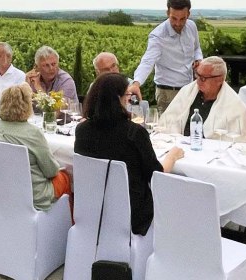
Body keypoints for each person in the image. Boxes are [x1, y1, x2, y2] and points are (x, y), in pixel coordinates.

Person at [75, 73, 184, 236]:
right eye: (128, 94)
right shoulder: (134, 133)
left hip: (93, 207)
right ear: (118, 98)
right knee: (176, 193)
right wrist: (172, 156)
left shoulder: (82, 130)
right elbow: (156, 175)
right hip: (132, 213)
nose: (129, 99)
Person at [0, 84, 72, 211]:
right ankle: (64, 226)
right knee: (66, 177)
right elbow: (51, 171)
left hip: (2, 191)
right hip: (35, 196)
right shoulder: (33, 133)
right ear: (27, 105)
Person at [129, 0, 203, 112]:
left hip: (190, 89)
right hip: (167, 93)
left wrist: (199, 60)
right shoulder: (157, 36)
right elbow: (147, 61)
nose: (178, 23)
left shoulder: (192, 26)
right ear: (167, 13)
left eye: (182, 19)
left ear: (188, 14)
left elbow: (197, 48)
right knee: (167, 130)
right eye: (174, 18)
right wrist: (136, 83)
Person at [162, 56, 246, 140]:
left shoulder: (236, 107)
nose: (198, 81)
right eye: (197, 75)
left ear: (219, 80)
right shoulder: (187, 92)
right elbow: (168, 123)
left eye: (203, 78)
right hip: (181, 146)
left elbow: (238, 141)